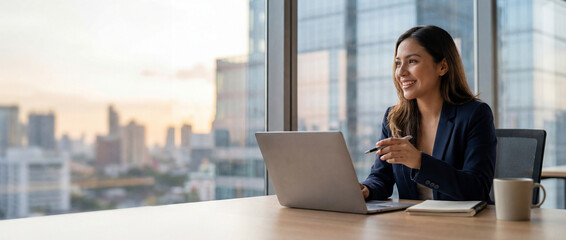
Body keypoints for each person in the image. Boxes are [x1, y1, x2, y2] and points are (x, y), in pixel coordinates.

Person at [359, 25, 496, 202]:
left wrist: (420, 162)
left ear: (443, 67)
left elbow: (477, 188)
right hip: (412, 224)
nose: (400, 72)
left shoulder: (475, 115)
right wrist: (366, 189)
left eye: (412, 61)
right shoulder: (395, 118)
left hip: (463, 225)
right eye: (398, 63)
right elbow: (381, 178)